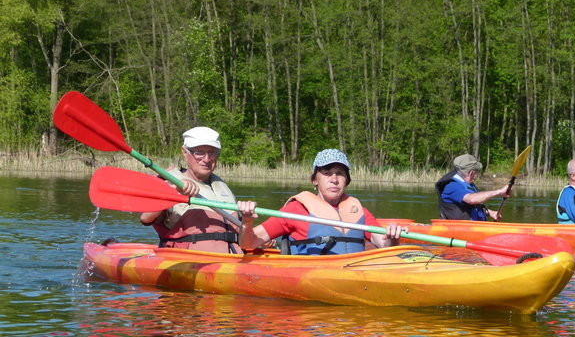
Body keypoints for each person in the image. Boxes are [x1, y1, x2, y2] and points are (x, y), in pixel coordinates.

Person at [237, 148, 406, 255]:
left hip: (354, 274)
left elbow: (384, 245)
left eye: (340, 173)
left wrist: (393, 238)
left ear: (347, 180)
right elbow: (248, 243)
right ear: (315, 180)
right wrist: (247, 222)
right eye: (326, 173)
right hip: (313, 276)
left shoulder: (358, 210)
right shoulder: (296, 210)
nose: (334, 179)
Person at [139, 126, 242, 253]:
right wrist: (174, 193)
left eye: (212, 152)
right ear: (184, 152)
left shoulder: (221, 187)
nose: (206, 159)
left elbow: (240, 230)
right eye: (199, 152)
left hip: (231, 261)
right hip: (190, 263)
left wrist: (257, 236)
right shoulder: (168, 183)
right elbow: (145, 218)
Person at [435, 154, 510, 221]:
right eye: (477, 172)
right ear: (471, 173)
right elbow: (471, 199)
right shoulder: (452, 186)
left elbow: (473, 206)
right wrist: (499, 192)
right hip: (459, 230)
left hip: (474, 228)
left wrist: (490, 212)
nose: (477, 175)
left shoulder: (469, 184)